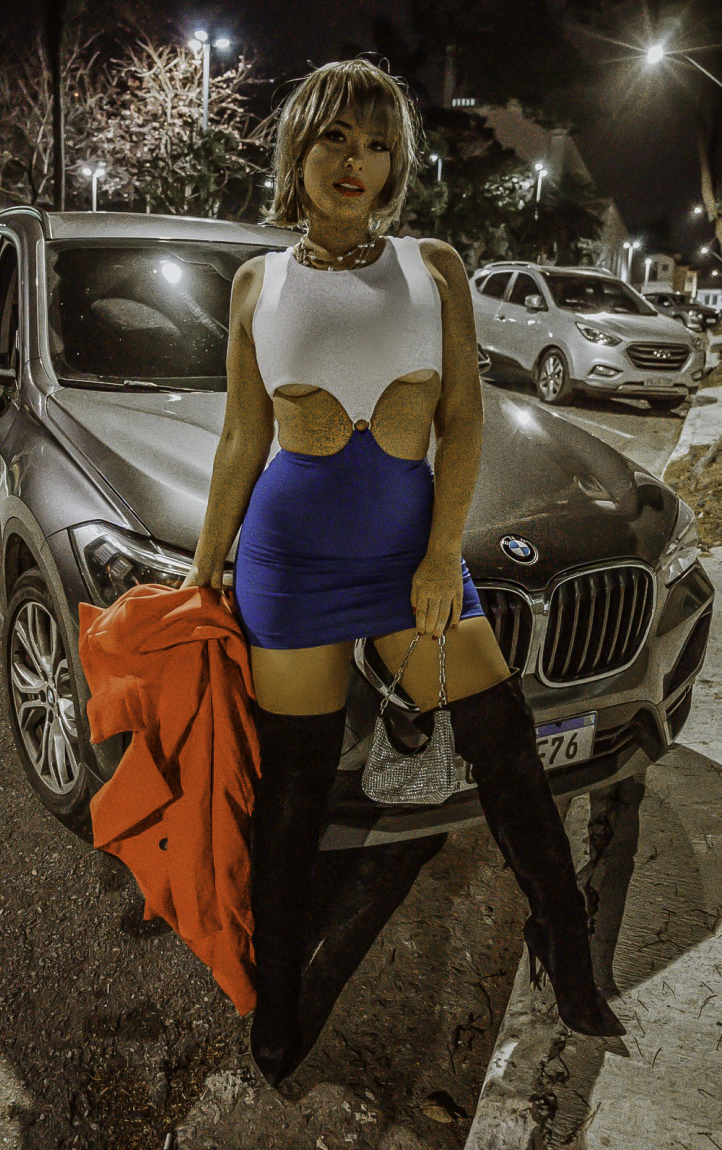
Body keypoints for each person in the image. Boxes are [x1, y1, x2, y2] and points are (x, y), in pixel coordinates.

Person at [180, 57, 626, 1089]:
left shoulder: (434, 266)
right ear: (299, 149)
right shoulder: (258, 284)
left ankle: (563, 940)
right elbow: (244, 438)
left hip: (406, 563)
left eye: (379, 145)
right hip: (290, 564)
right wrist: (203, 573)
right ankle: (278, 993)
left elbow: (462, 420)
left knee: (505, 747)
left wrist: (439, 557)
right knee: (294, 794)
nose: (358, 161)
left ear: (396, 165)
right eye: (337, 138)